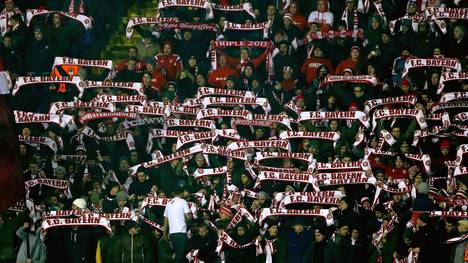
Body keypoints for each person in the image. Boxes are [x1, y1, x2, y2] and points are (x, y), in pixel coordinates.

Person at [163, 185, 193, 263]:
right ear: (182, 193)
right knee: (180, 257)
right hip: (181, 233)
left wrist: (164, 234)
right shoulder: (183, 201)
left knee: (179, 255)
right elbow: (189, 217)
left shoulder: (168, 204)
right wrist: (192, 214)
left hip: (172, 234)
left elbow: (165, 220)